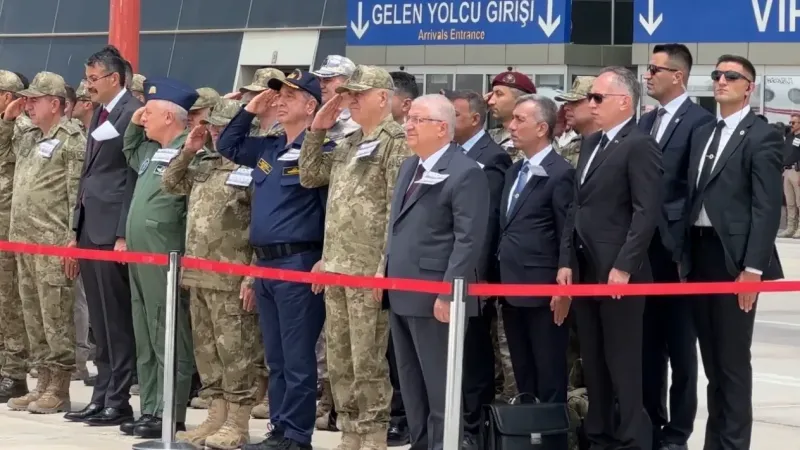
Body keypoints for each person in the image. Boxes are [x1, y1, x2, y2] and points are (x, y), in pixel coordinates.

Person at [217, 70, 333, 450]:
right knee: (277, 358)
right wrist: (250, 109)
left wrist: (325, 257)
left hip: (298, 261)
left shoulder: (322, 152)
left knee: (298, 358)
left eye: (289, 96)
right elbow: (228, 146)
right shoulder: (270, 147)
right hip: (265, 264)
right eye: (277, 95)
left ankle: (297, 435)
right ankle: (280, 429)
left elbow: (329, 210)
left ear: (311, 106)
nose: (280, 101)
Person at [299, 65, 409, 450]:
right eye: (349, 95)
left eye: (358, 95)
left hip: (368, 270)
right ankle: (350, 433)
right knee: (340, 359)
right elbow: (310, 175)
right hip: (337, 267)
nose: (351, 101)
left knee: (368, 360)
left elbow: (396, 210)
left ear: (383, 98)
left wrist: (384, 266)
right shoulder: (348, 142)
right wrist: (316, 130)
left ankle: (373, 435)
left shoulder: (396, 142)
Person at [679, 54, 784, 450]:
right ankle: (716, 442)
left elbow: (766, 207)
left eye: (731, 76)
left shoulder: (762, 135)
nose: (721, 81)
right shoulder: (704, 132)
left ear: (748, 87)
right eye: (717, 75)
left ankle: (734, 444)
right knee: (712, 361)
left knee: (732, 362)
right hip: (699, 253)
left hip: (734, 260)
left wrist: (753, 268)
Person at [559, 66, 662, 450]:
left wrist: (624, 265)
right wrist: (566, 260)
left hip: (620, 275)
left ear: (624, 101)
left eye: (598, 97)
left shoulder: (639, 144)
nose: (591, 104)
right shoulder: (591, 144)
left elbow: (645, 212)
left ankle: (634, 439)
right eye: (590, 98)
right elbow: (576, 207)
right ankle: (599, 436)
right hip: (586, 270)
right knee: (594, 362)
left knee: (623, 364)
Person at [385, 94, 489, 450]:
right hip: (401, 291)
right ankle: (421, 443)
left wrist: (448, 292)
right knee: (411, 384)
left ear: (442, 128)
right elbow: (397, 227)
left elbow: (468, 239)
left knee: (440, 386)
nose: (408, 125)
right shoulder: (408, 167)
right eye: (409, 119)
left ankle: (444, 445)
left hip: (436, 297)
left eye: (418, 119)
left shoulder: (465, 172)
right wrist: (385, 271)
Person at [162, 98, 266, 449]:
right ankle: (216, 415)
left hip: (232, 277)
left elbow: (261, 223)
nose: (216, 134)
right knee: (207, 352)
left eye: (223, 128)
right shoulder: (205, 163)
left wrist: (253, 273)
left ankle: (237, 422)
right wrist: (189, 151)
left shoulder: (251, 166)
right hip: (199, 273)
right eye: (214, 128)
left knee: (236, 352)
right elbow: (171, 184)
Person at [639, 43, 715, 450]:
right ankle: (651, 424)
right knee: (648, 345)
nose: (647, 75)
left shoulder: (700, 122)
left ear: (678, 76)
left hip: (678, 251)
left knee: (682, 349)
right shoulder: (646, 121)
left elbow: (695, 188)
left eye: (655, 69)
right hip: (642, 251)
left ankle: (678, 433)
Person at [0, 71, 86, 414]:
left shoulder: (72, 139)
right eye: (27, 100)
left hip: (52, 244)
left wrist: (73, 239)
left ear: (55, 104)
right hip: (24, 242)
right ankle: (41, 384)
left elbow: (76, 195)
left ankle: (59, 388)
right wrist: (8, 121)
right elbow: (4, 154)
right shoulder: (31, 137)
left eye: (35, 100)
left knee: (55, 317)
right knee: (33, 317)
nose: (28, 106)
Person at [65, 46, 141, 427]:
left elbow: (132, 175)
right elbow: (89, 173)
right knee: (99, 318)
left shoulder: (133, 113)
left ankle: (118, 398)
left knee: (116, 319)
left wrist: (123, 232)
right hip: (89, 228)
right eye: (87, 78)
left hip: (111, 231)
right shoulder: (100, 112)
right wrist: (75, 227)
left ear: (114, 78)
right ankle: (102, 394)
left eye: (94, 79)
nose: (88, 86)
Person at [121, 77, 199, 438]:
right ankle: (150, 407)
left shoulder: (190, 152)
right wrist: (134, 122)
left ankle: (170, 411)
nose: (143, 118)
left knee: (166, 331)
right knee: (144, 330)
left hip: (164, 253)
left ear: (169, 116)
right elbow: (129, 150)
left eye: (149, 112)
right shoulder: (153, 151)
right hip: (141, 254)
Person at [499, 94, 574, 449]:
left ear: (542, 128)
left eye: (520, 120)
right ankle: (528, 439)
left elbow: (566, 231)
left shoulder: (561, 173)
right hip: (510, 287)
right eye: (512, 119)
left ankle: (554, 442)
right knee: (523, 373)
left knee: (549, 373)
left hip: (543, 290)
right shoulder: (514, 171)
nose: (511, 126)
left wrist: (564, 285)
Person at [443, 88, 511, 449]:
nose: (449, 121)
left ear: (474, 118)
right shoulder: (449, 154)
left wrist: (477, 272)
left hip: (472, 273)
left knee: (473, 353)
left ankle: (474, 425)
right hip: (444, 267)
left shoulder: (492, 157)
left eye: (455, 114)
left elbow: (487, 219)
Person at [307, 54, 362, 432]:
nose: (324, 85)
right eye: (322, 80)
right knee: (330, 337)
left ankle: (343, 409)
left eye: (332, 79)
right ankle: (329, 402)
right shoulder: (323, 122)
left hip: (352, 246)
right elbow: (310, 175)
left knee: (348, 339)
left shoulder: (356, 128)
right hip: (323, 235)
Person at [0, 70, 30, 404]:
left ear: (8, 96)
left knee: (10, 302)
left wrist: (11, 122)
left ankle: (14, 372)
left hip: (11, 224)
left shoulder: (24, 127)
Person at [486, 71, 537, 161]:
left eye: (499, 94)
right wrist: (476, 110)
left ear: (520, 101)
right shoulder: (490, 135)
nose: (490, 101)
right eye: (492, 94)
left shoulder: (533, 139)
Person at [779, 112, 800, 237]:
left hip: (797, 171)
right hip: (787, 171)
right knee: (790, 202)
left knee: (799, 202)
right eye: (790, 122)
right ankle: (791, 227)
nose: (791, 125)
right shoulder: (789, 137)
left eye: (794, 122)